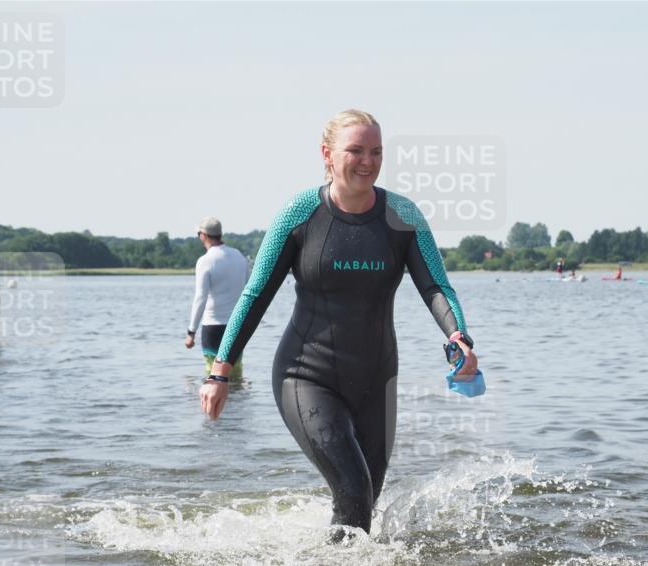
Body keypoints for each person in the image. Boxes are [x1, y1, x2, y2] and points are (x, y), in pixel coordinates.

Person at [200, 109, 480, 539]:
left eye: (376, 151)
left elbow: (436, 286)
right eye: (355, 150)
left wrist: (457, 335)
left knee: (365, 502)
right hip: (306, 375)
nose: (367, 161)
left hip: (377, 380)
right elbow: (256, 295)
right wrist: (221, 371)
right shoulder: (300, 212)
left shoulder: (402, 215)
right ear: (327, 155)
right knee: (353, 490)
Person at [185, 217, 250, 379]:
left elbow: (201, 297)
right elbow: (248, 291)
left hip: (213, 326)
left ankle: (216, 404)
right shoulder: (239, 257)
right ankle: (237, 402)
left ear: (203, 235)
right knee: (235, 370)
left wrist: (191, 332)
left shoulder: (205, 261)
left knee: (212, 372)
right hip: (236, 325)